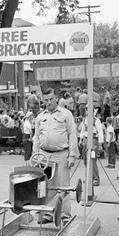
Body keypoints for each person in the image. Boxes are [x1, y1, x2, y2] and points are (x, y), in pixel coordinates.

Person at [33, 88, 78, 224]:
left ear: (56, 98)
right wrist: (36, 156)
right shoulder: (40, 117)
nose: (49, 102)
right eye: (46, 100)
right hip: (45, 156)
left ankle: (64, 214)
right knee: (46, 185)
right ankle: (47, 213)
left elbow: (72, 134)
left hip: (61, 155)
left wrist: (72, 155)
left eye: (51, 99)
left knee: (63, 185)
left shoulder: (66, 114)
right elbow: (36, 137)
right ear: (43, 101)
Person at [80, 108, 104, 186]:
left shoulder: (96, 121)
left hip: (94, 140)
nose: (87, 111)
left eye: (89, 109)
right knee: (86, 160)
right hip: (86, 140)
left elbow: (100, 132)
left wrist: (100, 143)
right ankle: (89, 178)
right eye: (86, 109)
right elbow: (83, 130)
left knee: (93, 160)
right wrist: (80, 139)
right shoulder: (85, 120)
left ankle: (96, 179)